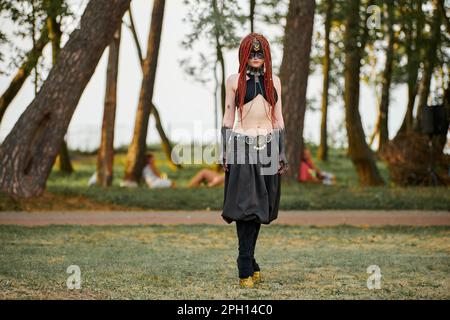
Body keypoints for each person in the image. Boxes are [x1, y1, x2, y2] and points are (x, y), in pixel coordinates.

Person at [220, 33, 288, 288]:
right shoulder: (233, 81)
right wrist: (224, 150)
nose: (256, 57)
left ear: (266, 55)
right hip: (241, 146)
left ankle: (250, 261)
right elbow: (228, 117)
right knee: (244, 208)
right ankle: (244, 264)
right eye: (252, 53)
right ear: (244, 55)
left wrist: (282, 152)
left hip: (269, 147)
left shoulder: (275, 82)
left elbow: (278, 118)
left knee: (259, 209)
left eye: (260, 53)